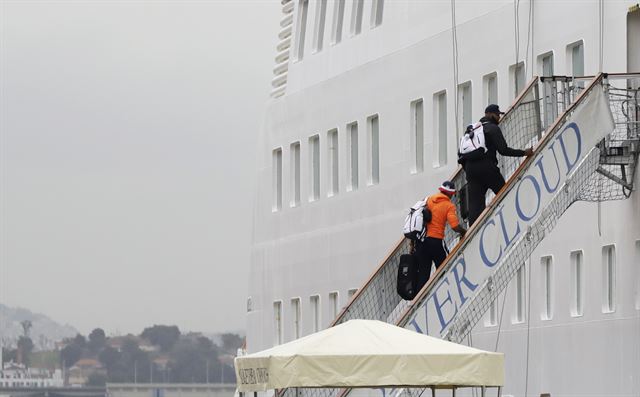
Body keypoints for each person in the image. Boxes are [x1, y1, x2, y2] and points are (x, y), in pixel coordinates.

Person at [458, 104, 533, 225]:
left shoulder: (472, 130)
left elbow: (461, 155)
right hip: (487, 168)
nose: (499, 117)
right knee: (504, 193)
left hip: (471, 170)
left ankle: (473, 233)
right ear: (491, 114)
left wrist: (469, 170)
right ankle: (513, 221)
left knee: (475, 206)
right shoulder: (492, 128)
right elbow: (503, 150)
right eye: (497, 115)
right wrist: (524, 152)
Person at [413, 181, 467, 287]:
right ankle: (447, 289)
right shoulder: (449, 206)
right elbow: (455, 226)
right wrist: (464, 232)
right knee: (445, 267)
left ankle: (420, 301)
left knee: (423, 274)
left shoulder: (428, 200)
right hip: (436, 242)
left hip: (422, 242)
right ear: (451, 194)